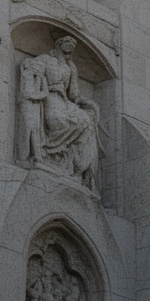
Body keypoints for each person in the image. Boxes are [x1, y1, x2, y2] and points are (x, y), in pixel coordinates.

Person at [19, 36, 99, 188]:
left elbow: (74, 94)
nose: (70, 46)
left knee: (86, 122)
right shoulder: (46, 59)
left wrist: (87, 103)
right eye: (67, 43)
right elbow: (31, 69)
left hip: (64, 100)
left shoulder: (71, 67)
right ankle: (47, 152)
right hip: (49, 96)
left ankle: (76, 166)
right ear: (59, 43)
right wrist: (29, 66)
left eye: (73, 44)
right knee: (58, 120)